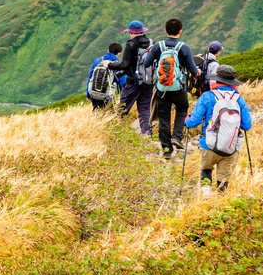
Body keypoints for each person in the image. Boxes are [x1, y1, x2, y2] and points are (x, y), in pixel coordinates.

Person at [185, 64, 253, 194]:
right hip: (230, 147)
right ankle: (220, 202)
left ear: (216, 80)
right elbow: (247, 126)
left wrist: (187, 122)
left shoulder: (207, 96)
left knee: (206, 169)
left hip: (208, 144)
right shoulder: (239, 100)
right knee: (223, 179)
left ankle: (206, 197)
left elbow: (195, 121)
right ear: (233, 82)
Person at [143, 18, 200, 160]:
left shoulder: (158, 46)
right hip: (178, 88)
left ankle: (167, 150)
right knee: (182, 108)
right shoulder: (184, 47)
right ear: (180, 31)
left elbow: (146, 63)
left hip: (162, 88)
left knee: (164, 117)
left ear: (165, 31)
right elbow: (193, 71)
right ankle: (176, 137)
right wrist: (198, 72)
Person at [108, 21, 154, 136]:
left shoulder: (131, 44)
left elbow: (124, 65)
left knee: (123, 108)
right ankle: (146, 134)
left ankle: (115, 133)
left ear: (131, 32)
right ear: (143, 31)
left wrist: (109, 64)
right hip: (148, 81)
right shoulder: (152, 43)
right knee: (144, 110)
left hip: (133, 82)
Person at [87, 42, 125, 109]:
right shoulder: (117, 66)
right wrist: (124, 100)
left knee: (96, 113)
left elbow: (90, 77)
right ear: (119, 53)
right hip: (107, 97)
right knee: (108, 115)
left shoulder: (97, 61)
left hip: (94, 94)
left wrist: (88, 94)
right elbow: (123, 84)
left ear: (108, 51)